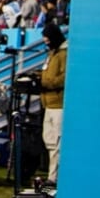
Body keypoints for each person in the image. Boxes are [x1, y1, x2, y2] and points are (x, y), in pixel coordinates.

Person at [38, 20, 68, 187]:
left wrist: (47, 83)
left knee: (57, 143)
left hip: (58, 105)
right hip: (48, 103)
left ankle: (54, 177)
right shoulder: (52, 54)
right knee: (49, 141)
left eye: (47, 39)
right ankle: (52, 175)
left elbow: (64, 77)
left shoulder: (63, 55)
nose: (46, 42)